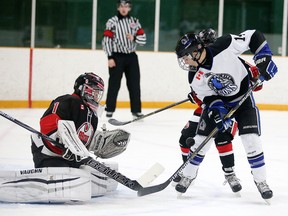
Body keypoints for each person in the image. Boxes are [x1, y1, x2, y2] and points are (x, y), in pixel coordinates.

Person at [174, 29, 277, 201]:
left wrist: (263, 58)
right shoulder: (194, 77)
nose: (184, 61)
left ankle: (261, 181)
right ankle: (189, 175)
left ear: (196, 51)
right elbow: (209, 98)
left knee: (251, 139)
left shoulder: (224, 45)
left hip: (243, 99)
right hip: (222, 103)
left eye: (185, 56)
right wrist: (217, 112)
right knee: (200, 141)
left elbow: (253, 35)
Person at [27, 72, 131, 203]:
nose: (96, 96)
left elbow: (83, 140)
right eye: (94, 91)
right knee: (67, 180)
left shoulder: (93, 115)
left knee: (88, 177)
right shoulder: (67, 101)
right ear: (84, 89)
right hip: (49, 154)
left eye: (99, 93)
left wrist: (98, 143)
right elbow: (48, 123)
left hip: (71, 158)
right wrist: (61, 141)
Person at [173, 29, 242, 194]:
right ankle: (187, 170)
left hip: (229, 109)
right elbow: (202, 97)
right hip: (208, 108)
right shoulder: (194, 69)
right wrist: (196, 97)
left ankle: (230, 173)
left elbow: (248, 79)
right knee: (185, 137)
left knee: (223, 138)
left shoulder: (227, 59)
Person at [102, 0, 146, 119]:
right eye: (121, 6)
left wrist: (134, 37)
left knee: (134, 84)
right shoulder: (112, 21)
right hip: (117, 56)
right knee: (114, 84)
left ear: (130, 8)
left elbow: (143, 40)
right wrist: (110, 57)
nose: (124, 8)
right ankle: (110, 109)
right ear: (118, 8)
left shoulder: (135, 22)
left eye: (126, 6)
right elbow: (106, 40)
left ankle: (136, 111)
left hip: (131, 56)